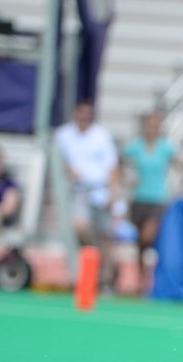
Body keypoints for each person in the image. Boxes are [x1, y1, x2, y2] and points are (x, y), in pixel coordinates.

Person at [122, 111, 183, 294]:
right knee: (140, 244)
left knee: (148, 237)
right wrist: (123, 180)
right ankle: (141, 279)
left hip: (158, 200)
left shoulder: (164, 148)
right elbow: (120, 163)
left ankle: (153, 277)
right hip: (139, 199)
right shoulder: (135, 146)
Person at [55, 100, 121, 288]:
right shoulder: (64, 135)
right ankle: (86, 272)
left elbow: (112, 167)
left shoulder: (101, 136)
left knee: (106, 235)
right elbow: (58, 161)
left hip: (100, 189)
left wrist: (112, 193)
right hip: (79, 190)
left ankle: (107, 278)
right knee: (80, 228)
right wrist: (68, 170)